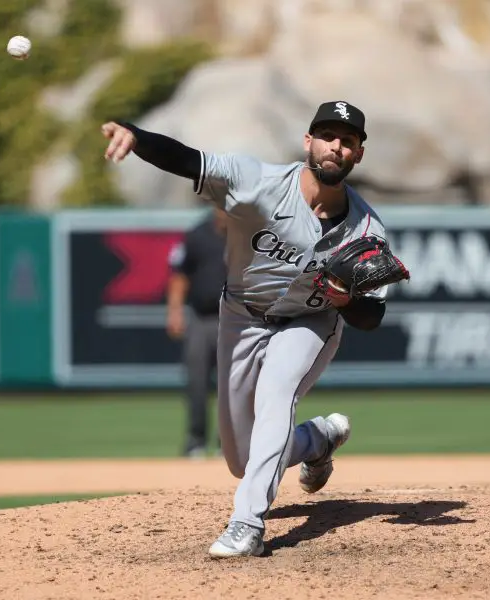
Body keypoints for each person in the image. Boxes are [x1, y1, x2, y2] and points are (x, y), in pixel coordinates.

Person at [101, 100, 396, 558]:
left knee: (278, 393)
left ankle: (247, 524)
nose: (336, 146)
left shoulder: (367, 229)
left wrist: (347, 300)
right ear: (308, 142)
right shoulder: (256, 182)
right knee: (240, 459)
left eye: (348, 141)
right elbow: (187, 159)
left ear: (358, 154)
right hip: (241, 315)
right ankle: (317, 439)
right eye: (327, 136)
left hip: (310, 321)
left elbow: (372, 316)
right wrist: (137, 137)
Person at [166, 207, 228, 459]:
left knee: (233, 386)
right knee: (197, 384)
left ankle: (229, 444)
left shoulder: (246, 233)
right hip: (201, 318)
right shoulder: (197, 234)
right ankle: (196, 441)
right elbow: (180, 276)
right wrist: (175, 311)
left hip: (235, 320)